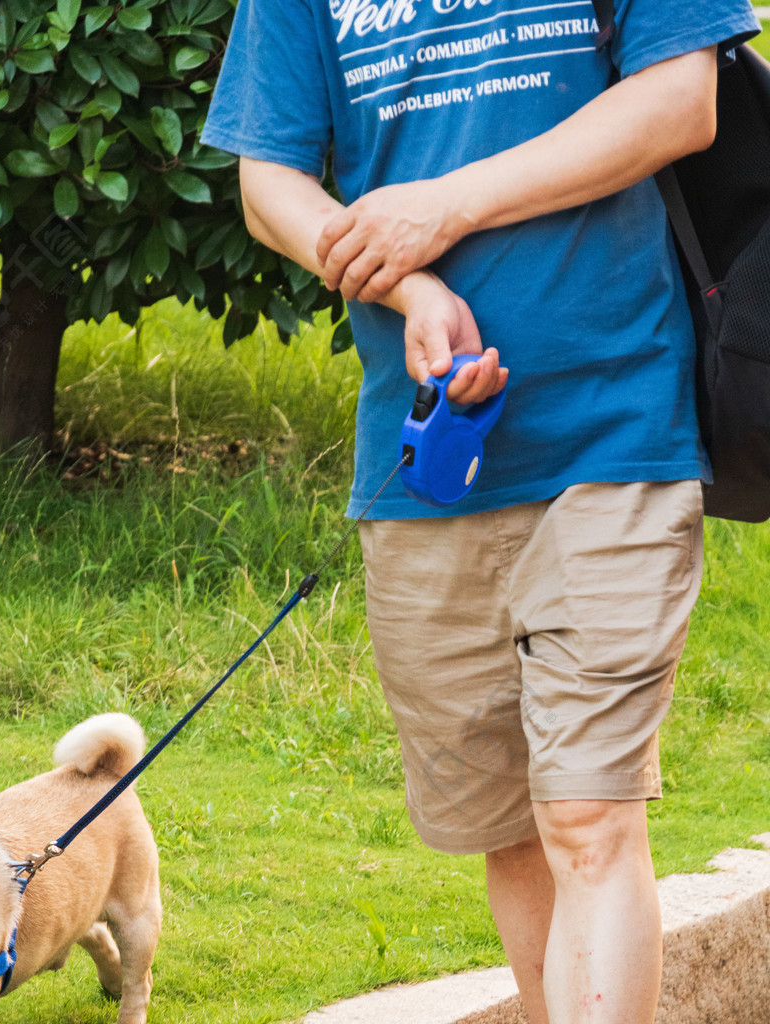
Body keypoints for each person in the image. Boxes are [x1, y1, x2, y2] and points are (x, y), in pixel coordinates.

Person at [201, 3, 762, 1023]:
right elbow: (266, 180)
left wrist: (446, 207)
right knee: (511, 825)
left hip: (616, 421)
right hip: (427, 458)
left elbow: (681, 103)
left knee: (589, 810)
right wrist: (406, 283)